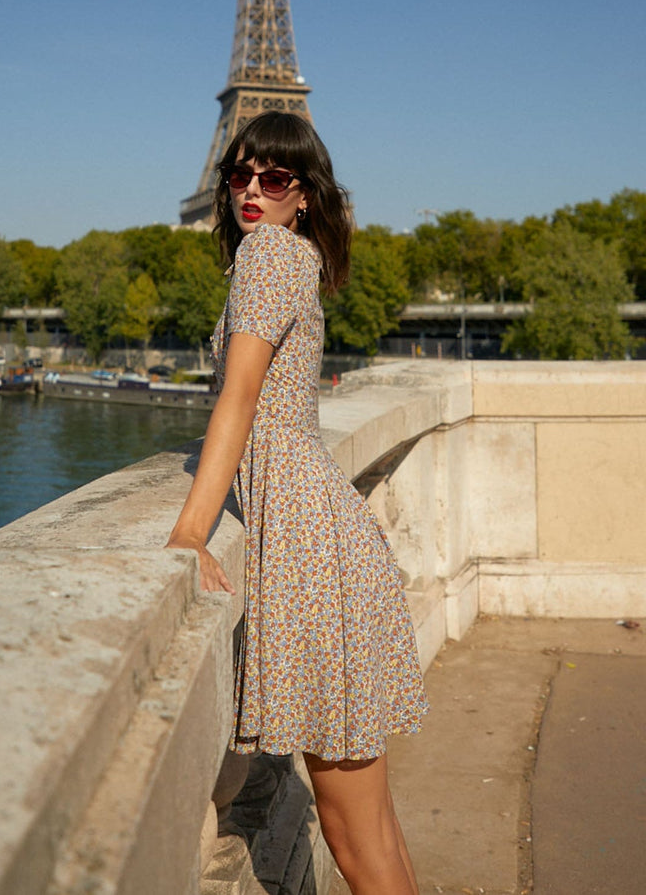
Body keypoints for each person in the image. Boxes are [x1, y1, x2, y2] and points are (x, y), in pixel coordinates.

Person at [167, 112, 428, 895]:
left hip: (307, 551)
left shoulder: (269, 257)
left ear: (303, 195)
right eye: (238, 176)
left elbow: (238, 402)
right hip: (323, 538)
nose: (251, 189)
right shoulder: (293, 257)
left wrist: (189, 530)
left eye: (272, 178)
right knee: (373, 827)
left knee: (354, 839)